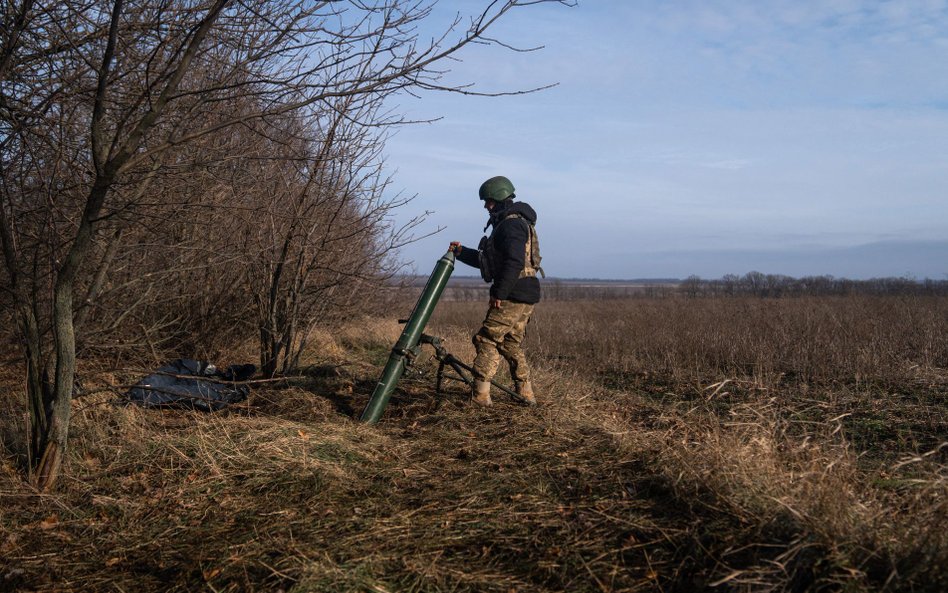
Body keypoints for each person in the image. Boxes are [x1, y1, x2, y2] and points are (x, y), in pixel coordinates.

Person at [449, 175, 542, 407]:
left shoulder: (510, 225)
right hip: (526, 291)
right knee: (510, 344)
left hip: (513, 292)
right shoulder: (517, 222)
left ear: (500, 199)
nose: (486, 206)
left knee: (487, 339)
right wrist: (462, 253)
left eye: (489, 201)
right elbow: (489, 261)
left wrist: (499, 293)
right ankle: (526, 394)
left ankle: (480, 397)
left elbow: (513, 262)